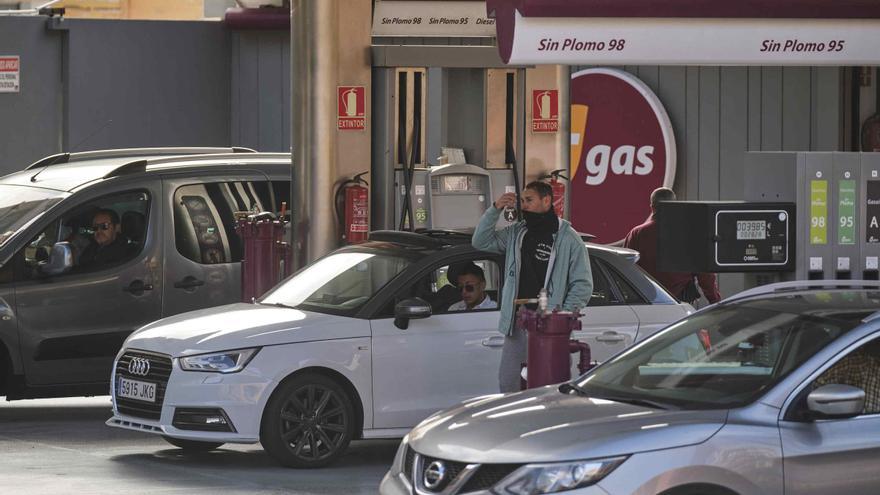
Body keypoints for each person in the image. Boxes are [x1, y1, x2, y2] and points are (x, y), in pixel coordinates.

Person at [473, 181, 593, 392]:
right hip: (519, 320)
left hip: (550, 325)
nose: (524, 205)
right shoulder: (517, 233)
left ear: (546, 201)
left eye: (529, 200)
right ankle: (512, 424)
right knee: (509, 384)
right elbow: (480, 241)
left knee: (550, 386)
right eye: (522, 200)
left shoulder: (568, 238)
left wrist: (560, 316)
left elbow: (582, 284)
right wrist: (495, 209)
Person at [623, 187, 721, 304]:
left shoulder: (636, 234)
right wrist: (715, 300)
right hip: (680, 304)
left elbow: (626, 269)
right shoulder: (691, 234)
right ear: (674, 205)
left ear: (652, 207)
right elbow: (705, 276)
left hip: (645, 303)